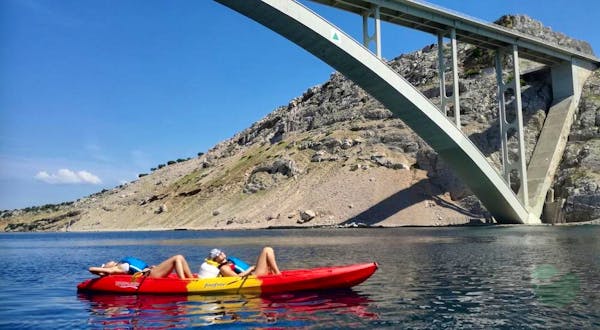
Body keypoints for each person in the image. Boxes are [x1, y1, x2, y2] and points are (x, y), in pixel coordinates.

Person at [89, 255, 194, 279]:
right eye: (105, 264)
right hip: (151, 275)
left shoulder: (122, 263)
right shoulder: (116, 269)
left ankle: (192, 280)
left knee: (180, 258)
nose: (108, 262)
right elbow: (91, 269)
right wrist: (104, 271)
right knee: (177, 258)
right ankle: (184, 282)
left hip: (151, 270)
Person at [203, 247, 281, 278]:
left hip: (253, 273)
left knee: (268, 250)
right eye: (218, 255)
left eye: (220, 252)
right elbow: (237, 278)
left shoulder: (230, 260)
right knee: (267, 250)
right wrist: (250, 269)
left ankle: (275, 272)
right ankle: (278, 274)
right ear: (215, 260)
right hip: (253, 278)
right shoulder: (224, 268)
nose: (221, 254)